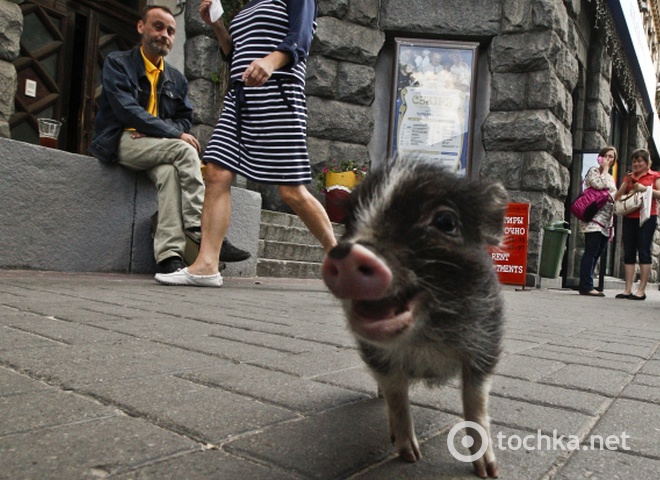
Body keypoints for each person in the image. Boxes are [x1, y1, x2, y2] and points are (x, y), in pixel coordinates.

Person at [155, 0, 337, 287]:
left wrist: (270, 61)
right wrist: (217, 26)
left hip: (278, 96)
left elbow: (300, 40)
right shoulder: (250, 5)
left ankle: (338, 255)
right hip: (239, 100)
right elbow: (233, 53)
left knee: (291, 191)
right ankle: (206, 265)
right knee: (216, 171)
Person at [89, 5, 249, 275]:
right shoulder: (119, 63)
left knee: (168, 175)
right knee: (185, 150)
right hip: (121, 139)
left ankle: (168, 256)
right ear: (141, 28)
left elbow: (185, 119)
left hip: (154, 146)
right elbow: (126, 110)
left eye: (171, 31)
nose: (165, 35)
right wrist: (170, 132)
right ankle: (202, 229)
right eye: (158, 27)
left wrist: (158, 130)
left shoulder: (175, 78)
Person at [614, 148, 660, 300]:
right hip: (629, 216)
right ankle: (627, 289)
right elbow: (618, 196)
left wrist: (646, 189)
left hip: (647, 217)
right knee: (628, 251)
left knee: (644, 251)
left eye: (640, 161)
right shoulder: (630, 176)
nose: (636, 164)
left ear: (647, 163)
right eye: (634, 161)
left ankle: (641, 290)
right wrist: (626, 182)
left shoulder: (654, 176)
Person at [578, 146, 617, 297]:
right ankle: (586, 286)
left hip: (606, 222)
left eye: (611, 157)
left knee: (598, 252)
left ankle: (587, 283)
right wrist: (605, 169)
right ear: (600, 157)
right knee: (591, 251)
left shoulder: (611, 178)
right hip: (594, 219)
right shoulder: (594, 171)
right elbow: (599, 185)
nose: (608, 159)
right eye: (606, 156)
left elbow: (613, 194)